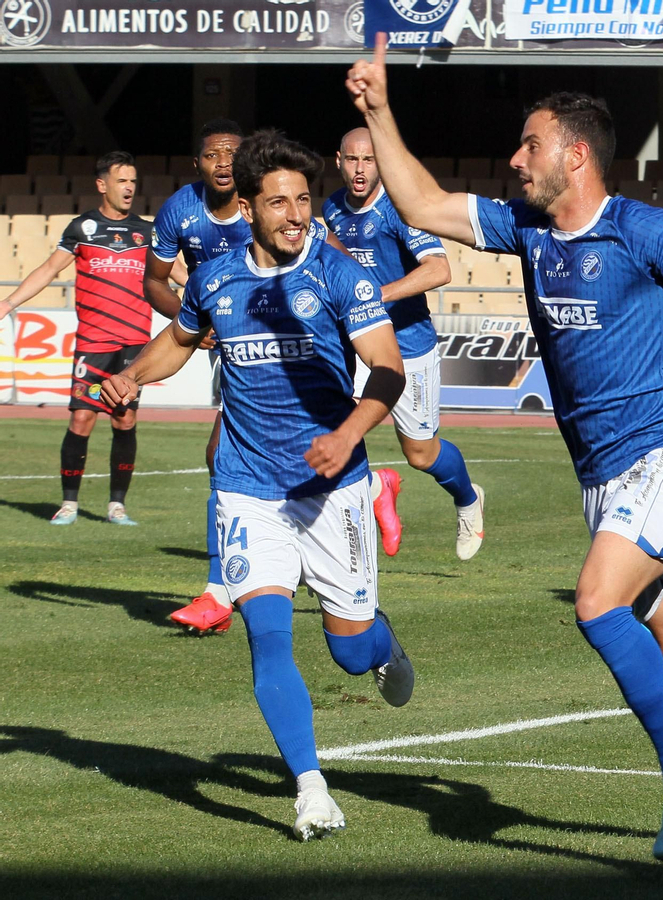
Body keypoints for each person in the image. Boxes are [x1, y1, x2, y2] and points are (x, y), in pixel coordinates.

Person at [347, 36, 663, 861]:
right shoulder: (525, 228)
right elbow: (421, 206)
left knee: (596, 602)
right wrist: (380, 111)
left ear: (577, 154)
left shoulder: (642, 229)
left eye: (531, 144)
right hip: (600, 475)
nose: (516, 158)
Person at [99, 129, 413, 841]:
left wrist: (348, 433)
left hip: (334, 488)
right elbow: (178, 342)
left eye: (303, 198)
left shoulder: (341, 276)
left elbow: (387, 370)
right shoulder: (213, 279)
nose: (295, 213)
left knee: (349, 651)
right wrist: (129, 376)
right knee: (267, 636)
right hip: (247, 487)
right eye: (277, 201)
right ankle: (311, 790)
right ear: (246, 207)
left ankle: (385, 645)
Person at [154, 120, 349, 635]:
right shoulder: (180, 209)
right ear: (199, 164)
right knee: (222, 453)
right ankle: (221, 588)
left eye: (231, 154)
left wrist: (354, 306)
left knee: (230, 450)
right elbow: (155, 281)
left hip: (302, 354)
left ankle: (369, 488)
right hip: (234, 341)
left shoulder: (284, 210)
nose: (222, 161)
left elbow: (343, 271)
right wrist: (195, 323)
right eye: (212, 153)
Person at [326, 127, 485, 561]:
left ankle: (469, 499)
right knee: (330, 432)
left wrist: (377, 295)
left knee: (419, 453)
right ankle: (367, 499)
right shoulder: (330, 210)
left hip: (409, 344)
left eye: (369, 160)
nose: (360, 169)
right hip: (357, 346)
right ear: (337, 160)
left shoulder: (399, 208)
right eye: (352, 160)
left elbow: (439, 269)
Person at [0, 151, 152, 527]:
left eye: (133, 180)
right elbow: (50, 270)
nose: (129, 187)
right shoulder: (82, 228)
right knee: (82, 418)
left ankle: (117, 505)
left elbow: (177, 274)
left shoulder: (146, 232)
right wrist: (7, 302)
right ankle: (69, 503)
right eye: (122, 181)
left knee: (125, 420)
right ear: (102, 185)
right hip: (93, 342)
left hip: (134, 344)